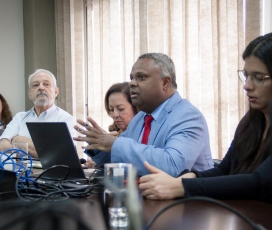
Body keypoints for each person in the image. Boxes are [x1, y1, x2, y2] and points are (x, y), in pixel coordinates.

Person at [139, 33, 272, 203]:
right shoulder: (251, 121)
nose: (247, 85)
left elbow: (260, 183)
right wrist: (189, 178)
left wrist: (182, 187)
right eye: (246, 75)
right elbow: (225, 170)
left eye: (259, 78)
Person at [74, 53, 213, 177]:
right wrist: (98, 146)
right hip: (143, 200)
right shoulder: (140, 118)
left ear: (165, 82)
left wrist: (115, 144)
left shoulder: (188, 116)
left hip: (188, 203)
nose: (132, 83)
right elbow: (119, 160)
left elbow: (172, 166)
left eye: (141, 77)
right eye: (131, 78)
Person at [0, 69, 76, 158]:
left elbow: (62, 155)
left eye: (46, 84)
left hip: (52, 172)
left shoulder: (65, 119)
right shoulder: (19, 117)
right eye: (35, 85)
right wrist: (42, 150)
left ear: (56, 92)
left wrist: (18, 140)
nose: (41, 88)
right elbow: (1, 146)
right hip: (21, 170)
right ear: (30, 94)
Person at [83, 82, 138, 167]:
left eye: (121, 109)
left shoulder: (145, 134)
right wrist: (98, 147)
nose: (115, 115)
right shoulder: (112, 134)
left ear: (135, 107)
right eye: (111, 109)